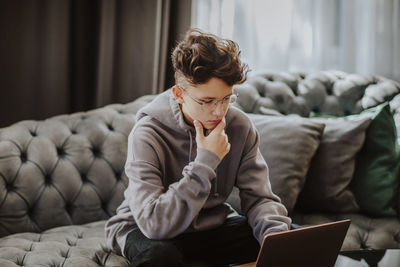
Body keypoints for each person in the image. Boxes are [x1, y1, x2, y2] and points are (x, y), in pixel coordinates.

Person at [105, 28, 292, 267]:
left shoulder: (240, 127)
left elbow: (260, 200)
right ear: (178, 94)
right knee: (161, 258)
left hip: (209, 230)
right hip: (146, 229)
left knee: (290, 238)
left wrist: (276, 243)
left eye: (226, 99)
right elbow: (154, 224)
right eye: (206, 101)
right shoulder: (147, 134)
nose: (218, 111)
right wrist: (206, 161)